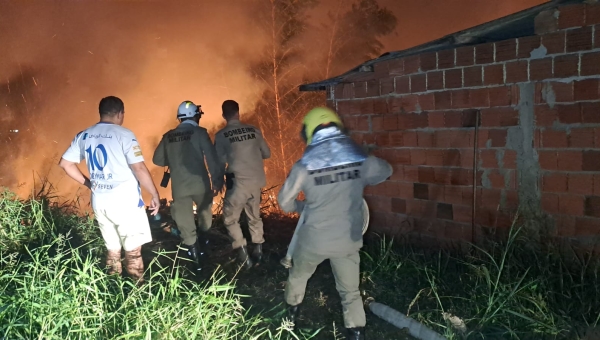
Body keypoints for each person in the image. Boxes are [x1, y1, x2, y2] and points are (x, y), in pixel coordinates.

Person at [277, 107, 392, 340]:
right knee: (350, 291)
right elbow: (385, 171)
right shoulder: (359, 158)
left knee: (298, 277)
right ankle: (356, 332)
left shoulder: (304, 165)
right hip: (347, 239)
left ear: (309, 132)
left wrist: (303, 207)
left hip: (313, 241)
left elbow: (284, 203)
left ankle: (289, 320)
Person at [59, 96, 160, 283]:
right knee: (133, 252)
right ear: (120, 114)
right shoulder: (124, 135)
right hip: (125, 202)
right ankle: (138, 295)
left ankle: (113, 289)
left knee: (113, 251)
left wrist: (89, 183)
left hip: (100, 201)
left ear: (101, 112)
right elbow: (138, 168)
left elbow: (65, 164)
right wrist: (154, 193)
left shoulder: (85, 135)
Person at [152, 100, 222, 271]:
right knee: (205, 216)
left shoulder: (168, 136)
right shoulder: (200, 132)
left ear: (180, 118)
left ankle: (197, 264)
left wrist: (174, 157)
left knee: (185, 223)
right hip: (201, 184)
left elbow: (157, 160)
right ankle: (204, 244)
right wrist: (217, 181)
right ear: (196, 116)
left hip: (180, 188)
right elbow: (212, 158)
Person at [214, 100, 271, 269]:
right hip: (256, 182)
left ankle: (244, 256)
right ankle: (259, 251)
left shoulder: (221, 135)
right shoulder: (254, 130)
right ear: (238, 112)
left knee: (231, 219)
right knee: (254, 216)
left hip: (238, 184)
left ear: (224, 115)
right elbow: (266, 153)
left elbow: (219, 161)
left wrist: (217, 181)